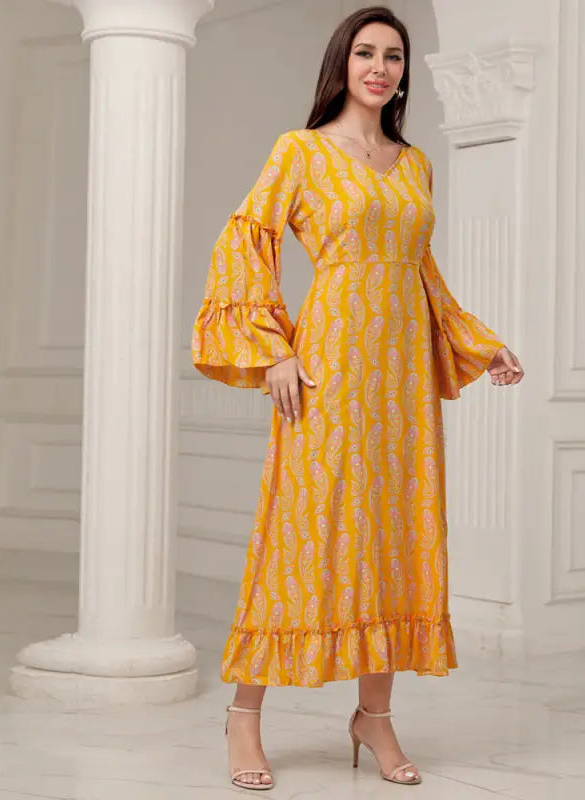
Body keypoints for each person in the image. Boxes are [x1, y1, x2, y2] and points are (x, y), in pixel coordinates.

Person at [191, 4, 524, 791]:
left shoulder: (414, 164)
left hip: (401, 382)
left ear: (404, 74)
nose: (380, 68)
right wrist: (273, 348)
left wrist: (479, 341)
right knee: (297, 534)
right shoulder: (301, 151)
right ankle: (244, 715)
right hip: (330, 370)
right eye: (367, 53)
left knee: (396, 536)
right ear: (342, 62)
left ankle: (374, 716)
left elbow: (422, 272)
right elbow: (247, 239)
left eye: (394, 57)